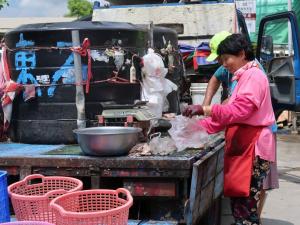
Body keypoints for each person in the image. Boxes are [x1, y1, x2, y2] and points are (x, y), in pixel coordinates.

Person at [183, 34, 276, 225]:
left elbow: (240, 111)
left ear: (242, 54)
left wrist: (204, 109)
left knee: (245, 204)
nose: (224, 64)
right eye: (221, 60)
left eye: (226, 59)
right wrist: (193, 127)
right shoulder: (242, 77)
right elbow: (226, 117)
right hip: (244, 145)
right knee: (239, 203)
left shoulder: (254, 75)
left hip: (254, 148)